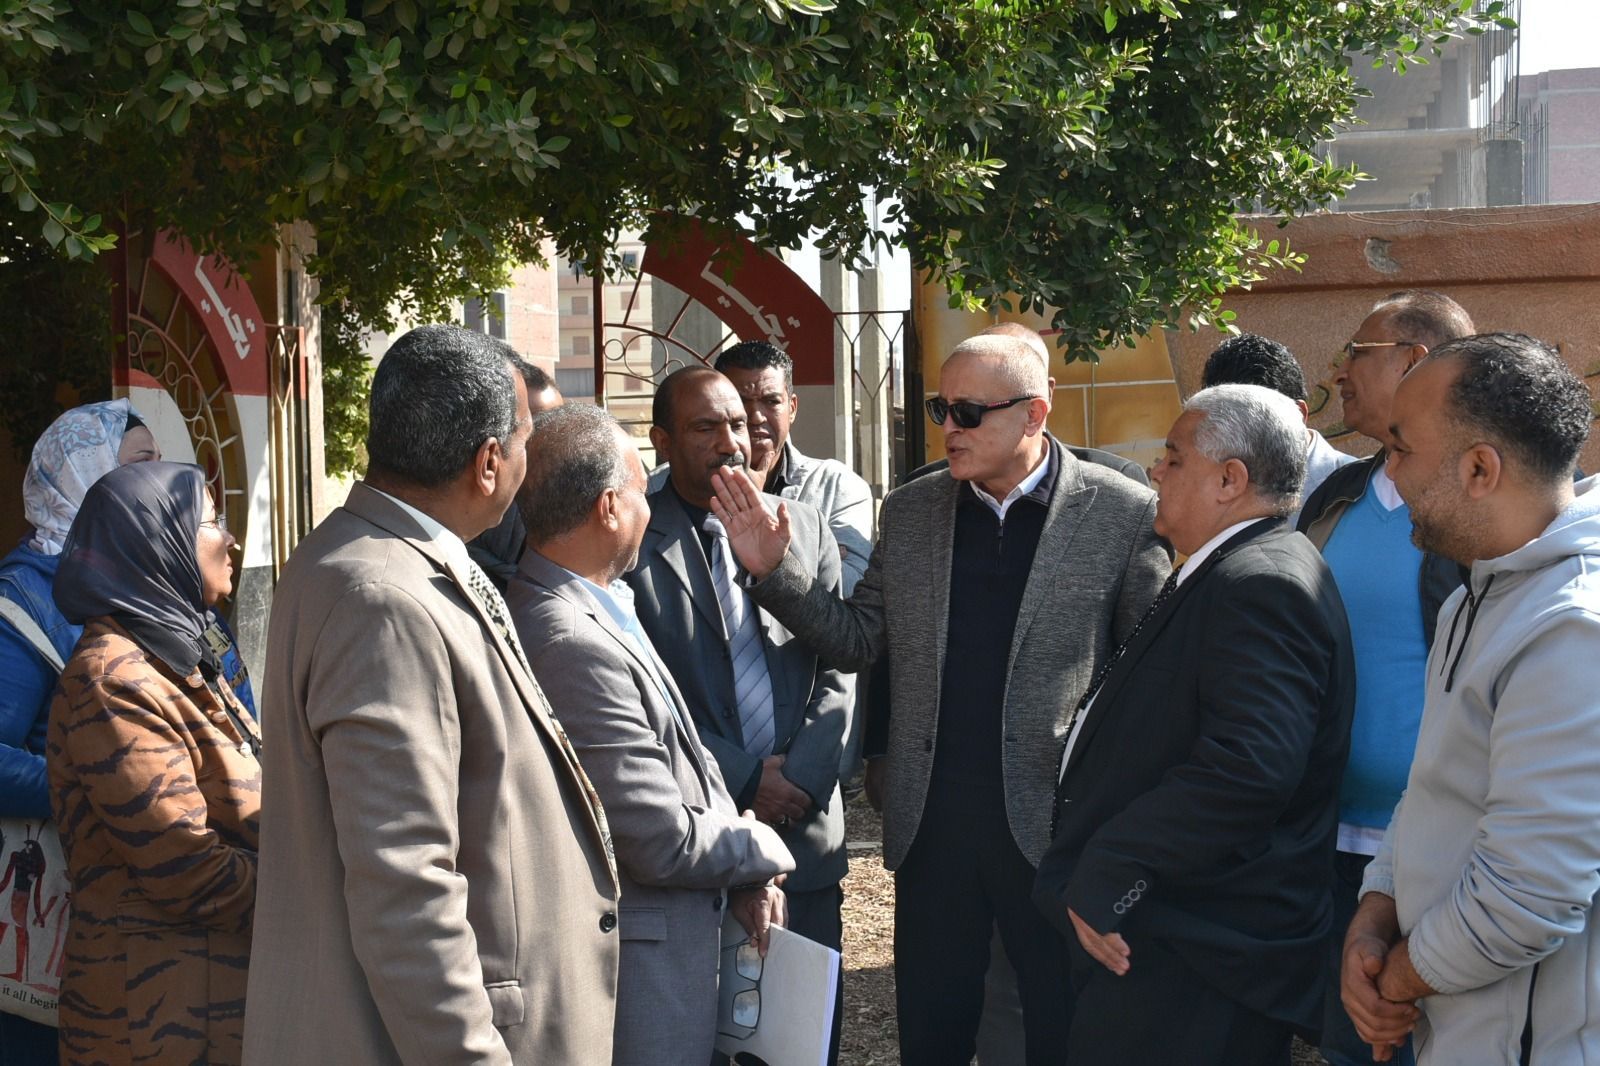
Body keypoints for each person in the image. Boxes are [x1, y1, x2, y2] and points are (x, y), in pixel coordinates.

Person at [710, 334, 1171, 1065]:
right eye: (939, 409)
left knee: (1063, 1032)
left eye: (967, 412)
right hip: (936, 829)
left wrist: (1120, 834)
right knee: (933, 1034)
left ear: (1035, 414)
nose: (948, 428)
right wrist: (777, 573)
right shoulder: (913, 510)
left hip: (1057, 830)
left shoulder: (1123, 512)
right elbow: (858, 640)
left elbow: (1146, 684)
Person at [244, 325, 620, 1065]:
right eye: (525, 439)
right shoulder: (382, 594)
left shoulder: (380, 558)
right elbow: (405, 886)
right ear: (489, 463)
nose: (528, 459)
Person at [1027, 384, 1353, 1063]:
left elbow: (1249, 768)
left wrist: (1113, 868)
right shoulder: (1234, 568)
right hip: (1174, 941)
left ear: (1230, 480)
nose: (1155, 471)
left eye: (1174, 458)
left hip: (1198, 949)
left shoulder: (1261, 583)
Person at [506, 402, 793, 1066]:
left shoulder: (596, 602)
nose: (651, 507)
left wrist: (740, 874)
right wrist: (760, 846)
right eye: (642, 491)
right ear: (609, 507)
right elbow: (656, 836)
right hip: (643, 981)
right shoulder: (568, 639)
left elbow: (682, 763)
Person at [1342, 334, 1600, 1064]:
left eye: (1402, 449)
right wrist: (1375, 912)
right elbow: (1435, 787)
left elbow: (1528, 897)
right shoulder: (1478, 594)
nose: (1391, 473)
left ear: (1480, 468)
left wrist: (1395, 982)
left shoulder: (1572, 627)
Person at [0, 400, 249, 1062]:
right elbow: (183, 861)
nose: (227, 538)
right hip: (140, 979)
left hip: (204, 974)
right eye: (140, 463)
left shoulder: (179, 613)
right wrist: (97, 788)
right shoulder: (41, 613)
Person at [625, 367, 852, 1060]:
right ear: (663, 440)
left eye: (737, 423)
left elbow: (839, 662)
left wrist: (800, 779)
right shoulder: (631, 536)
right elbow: (639, 692)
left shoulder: (803, 526)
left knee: (801, 1041)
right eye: (706, 427)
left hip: (803, 835)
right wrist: (749, 778)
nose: (732, 441)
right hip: (695, 834)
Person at [1297, 289, 1475, 1066]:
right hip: (1334, 843)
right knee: (1351, 1044)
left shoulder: (1481, 507)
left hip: (1454, 853)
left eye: (1357, 353)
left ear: (1414, 362)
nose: (1338, 372)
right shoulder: (1333, 497)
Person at [1200, 331, 1356, 519]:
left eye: (1253, 423)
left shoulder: (1358, 489)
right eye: (1224, 423)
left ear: (1298, 414)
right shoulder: (1206, 489)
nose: (1238, 438)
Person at [467, 362, 564, 589]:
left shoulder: (574, 503)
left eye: (559, 427)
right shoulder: (473, 506)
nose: (548, 442)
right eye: (532, 430)